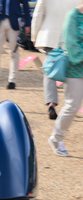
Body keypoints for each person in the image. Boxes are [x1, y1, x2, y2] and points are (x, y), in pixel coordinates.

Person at [31, 0, 80, 120]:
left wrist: (34, 35)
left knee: (50, 70)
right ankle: (68, 106)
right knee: (71, 72)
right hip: (72, 37)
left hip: (50, 35)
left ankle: (51, 103)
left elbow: (38, 14)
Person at [48, 3, 83, 157]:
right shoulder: (73, 16)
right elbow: (72, 45)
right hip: (75, 69)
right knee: (72, 106)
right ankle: (56, 138)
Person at [0, 0, 31, 90]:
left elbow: (25, 5)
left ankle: (12, 81)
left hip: (14, 22)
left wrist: (27, 24)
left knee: (14, 52)